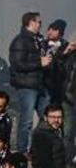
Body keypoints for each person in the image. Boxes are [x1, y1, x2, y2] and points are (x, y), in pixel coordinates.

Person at [9, 11, 52, 153]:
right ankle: (22, 153)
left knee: (47, 118)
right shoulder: (20, 40)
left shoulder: (39, 40)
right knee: (26, 121)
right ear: (31, 23)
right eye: (39, 22)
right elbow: (18, 64)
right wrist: (39, 63)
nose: (41, 25)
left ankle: (40, 149)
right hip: (26, 85)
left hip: (40, 84)